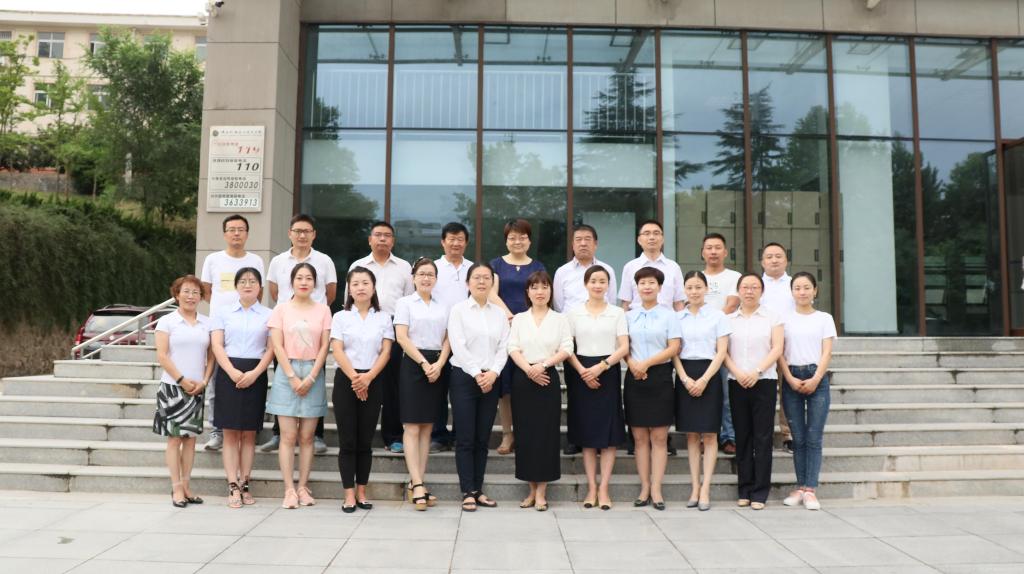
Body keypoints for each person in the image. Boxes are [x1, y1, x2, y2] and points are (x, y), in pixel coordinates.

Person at [261, 214, 337, 454]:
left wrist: (312, 314)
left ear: (314, 234)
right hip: (286, 330)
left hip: (314, 330)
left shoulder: (324, 261)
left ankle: (317, 435)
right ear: (289, 233)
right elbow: (275, 292)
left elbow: (330, 293)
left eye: (307, 231)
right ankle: (278, 433)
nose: (302, 235)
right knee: (283, 379)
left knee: (316, 383)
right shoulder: (278, 261)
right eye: (297, 231)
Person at [266, 263, 332, 509]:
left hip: (313, 370)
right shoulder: (281, 309)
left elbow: (325, 346)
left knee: (307, 436)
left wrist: (312, 377)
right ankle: (289, 489)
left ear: (315, 283)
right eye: (299, 278)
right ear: (291, 282)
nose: (304, 282)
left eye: (309, 278)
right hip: (287, 372)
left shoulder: (323, 310)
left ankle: (303, 486)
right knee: (288, 436)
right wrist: (292, 376)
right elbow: (277, 345)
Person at [507, 271, 573, 511]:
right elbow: (512, 347)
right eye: (534, 287)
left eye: (544, 286)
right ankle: (531, 490)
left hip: (547, 378)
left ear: (550, 291)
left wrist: (543, 366)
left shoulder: (559, 319)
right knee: (525, 434)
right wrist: (529, 369)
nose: (540, 291)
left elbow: (567, 347)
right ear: (528, 292)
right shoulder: (519, 319)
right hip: (523, 378)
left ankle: (542, 491)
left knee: (546, 435)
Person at [200, 214, 266, 452]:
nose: (236, 233)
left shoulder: (256, 260)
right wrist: (225, 312)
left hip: (248, 327)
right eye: (231, 229)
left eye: (241, 229)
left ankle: (250, 426)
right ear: (224, 233)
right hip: (220, 327)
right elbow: (206, 291)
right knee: (217, 379)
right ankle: (216, 429)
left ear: (247, 234)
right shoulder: (213, 259)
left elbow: (260, 292)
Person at [330, 267, 394, 513]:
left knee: (365, 441)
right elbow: (337, 350)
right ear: (349, 289)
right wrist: (356, 378)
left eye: (365, 282)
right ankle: (348, 494)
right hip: (346, 380)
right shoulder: (341, 317)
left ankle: (362, 492)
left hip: (373, 379)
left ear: (374, 287)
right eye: (355, 283)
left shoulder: (384, 317)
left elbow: (386, 352)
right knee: (347, 440)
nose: (360, 287)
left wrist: (368, 378)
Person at [565, 266, 629, 510]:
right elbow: (567, 347)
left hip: (607, 370)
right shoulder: (573, 313)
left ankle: (604, 489)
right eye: (593, 281)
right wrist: (583, 371)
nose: (598, 285)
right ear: (585, 284)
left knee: (609, 435)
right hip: (580, 371)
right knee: (588, 433)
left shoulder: (617, 313)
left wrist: (602, 367)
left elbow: (624, 347)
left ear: (608, 285)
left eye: (602, 281)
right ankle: (591, 487)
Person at [210, 267, 274, 508]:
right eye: (243, 281)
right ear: (236, 286)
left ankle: (245, 483)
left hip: (256, 372)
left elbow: (271, 348)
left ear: (260, 287)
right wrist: (231, 371)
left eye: (253, 281)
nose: (248, 285)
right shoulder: (222, 313)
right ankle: (232, 485)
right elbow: (217, 345)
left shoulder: (269, 314)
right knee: (230, 432)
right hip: (229, 372)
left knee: (249, 433)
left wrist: (256, 373)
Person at [448, 262, 509, 511]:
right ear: (468, 283)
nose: (482, 282)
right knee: (465, 437)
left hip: (491, 379)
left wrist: (493, 373)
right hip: (464, 378)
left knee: (482, 438)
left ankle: (478, 489)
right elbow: (458, 345)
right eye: (477, 277)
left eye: (486, 278)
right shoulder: (458, 311)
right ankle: (467, 491)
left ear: (492, 283)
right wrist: (477, 373)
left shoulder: (499, 314)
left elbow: (504, 346)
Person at [349, 221, 414, 454]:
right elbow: (350, 298)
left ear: (393, 241)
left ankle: (393, 435)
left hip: (394, 328)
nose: (382, 239)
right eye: (378, 235)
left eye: (387, 235)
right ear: (370, 240)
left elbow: (408, 301)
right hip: (364, 325)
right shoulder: (358, 266)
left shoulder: (404, 267)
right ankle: (359, 435)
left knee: (393, 384)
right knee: (362, 376)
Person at [552, 223, 618, 456]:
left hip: (602, 337)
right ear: (572, 244)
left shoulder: (606, 270)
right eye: (578, 239)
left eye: (587, 239)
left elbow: (612, 300)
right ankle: (576, 438)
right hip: (573, 336)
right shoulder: (562, 272)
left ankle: (600, 437)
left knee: (602, 395)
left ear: (595, 244)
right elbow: (559, 304)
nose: (583, 243)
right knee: (576, 391)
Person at [670, 271, 731, 511]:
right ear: (684, 290)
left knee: (710, 434)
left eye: (698, 287)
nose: (694, 291)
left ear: (706, 289)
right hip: (685, 373)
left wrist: (705, 379)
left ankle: (706, 488)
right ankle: (695, 487)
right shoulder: (677, 318)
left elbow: (722, 351)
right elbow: (674, 351)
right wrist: (685, 379)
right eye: (690, 287)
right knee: (692, 435)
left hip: (710, 374)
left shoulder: (718, 316)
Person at [723, 273, 784, 510]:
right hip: (736, 381)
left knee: (763, 437)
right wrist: (738, 372)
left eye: (754, 287)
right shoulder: (728, 319)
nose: (749, 291)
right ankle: (745, 489)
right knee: (743, 436)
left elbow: (777, 348)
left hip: (764, 381)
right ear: (738, 291)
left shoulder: (772, 317)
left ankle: (760, 492)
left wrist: (757, 371)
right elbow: (723, 351)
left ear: (762, 291)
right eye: (745, 287)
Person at [394, 258, 451, 510]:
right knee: (412, 426)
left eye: (430, 274)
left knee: (427, 426)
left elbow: (449, 338)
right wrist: (424, 363)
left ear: (436, 279)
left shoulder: (444, 306)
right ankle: (417, 483)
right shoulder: (405, 303)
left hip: (437, 365)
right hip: (413, 364)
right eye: (422, 274)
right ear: (414, 278)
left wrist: (439, 364)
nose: (426, 278)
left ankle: (418, 482)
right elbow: (401, 337)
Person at [153, 275, 213, 508]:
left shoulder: (206, 323)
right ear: (177, 295)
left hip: (197, 388)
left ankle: (187, 486)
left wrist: (204, 381)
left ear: (201, 297)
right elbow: (162, 355)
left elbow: (211, 357)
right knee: (175, 438)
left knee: (190, 440)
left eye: (196, 292)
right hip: (172, 388)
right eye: (186, 291)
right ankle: (176, 487)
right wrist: (180, 379)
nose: (191, 296)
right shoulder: (167, 321)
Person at [624, 267, 682, 511]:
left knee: (658, 437)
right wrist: (632, 364)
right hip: (634, 376)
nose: (647, 287)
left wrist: (646, 363)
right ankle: (644, 487)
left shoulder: (669, 315)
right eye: (642, 283)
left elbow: (674, 347)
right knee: (639, 438)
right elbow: (623, 346)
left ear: (659, 287)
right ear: (636, 287)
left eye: (651, 283)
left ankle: (657, 489)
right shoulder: (628, 316)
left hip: (660, 377)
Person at [779, 272, 837, 511]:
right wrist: (789, 378)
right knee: (798, 437)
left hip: (817, 377)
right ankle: (800, 487)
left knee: (814, 436)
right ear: (791, 292)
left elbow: (827, 352)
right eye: (797, 288)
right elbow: (779, 352)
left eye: (806, 287)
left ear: (815, 291)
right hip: (791, 376)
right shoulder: (783, 320)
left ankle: (810, 489)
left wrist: (816, 378)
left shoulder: (824, 318)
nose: (802, 292)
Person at [489, 219, 546, 456]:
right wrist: (509, 315)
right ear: (506, 241)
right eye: (512, 237)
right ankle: (507, 434)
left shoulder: (538, 266)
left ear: (529, 241)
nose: (517, 241)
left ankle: (525, 433)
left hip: (531, 330)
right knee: (505, 387)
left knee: (527, 383)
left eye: (522, 237)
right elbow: (491, 293)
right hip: (505, 327)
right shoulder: (496, 265)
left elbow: (543, 293)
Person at [430, 222, 473, 452]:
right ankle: (438, 435)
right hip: (438, 337)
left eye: (460, 239)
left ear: (466, 243)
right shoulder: (432, 268)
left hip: (467, 339)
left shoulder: (474, 269)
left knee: (462, 389)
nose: (455, 243)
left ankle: (459, 434)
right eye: (451, 239)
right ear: (442, 242)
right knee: (438, 388)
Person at [701, 233, 742, 456]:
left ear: (725, 252)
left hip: (727, 342)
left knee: (727, 394)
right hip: (701, 344)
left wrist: (710, 323)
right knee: (704, 392)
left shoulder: (734, 277)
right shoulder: (697, 278)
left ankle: (729, 436)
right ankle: (705, 434)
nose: (713, 251)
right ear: (702, 252)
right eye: (709, 248)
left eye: (718, 247)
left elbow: (732, 304)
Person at [760, 242, 796, 453]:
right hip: (761, 346)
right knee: (762, 392)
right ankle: (760, 433)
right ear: (762, 262)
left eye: (778, 256)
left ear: (786, 260)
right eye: (769, 256)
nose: (774, 260)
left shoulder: (794, 284)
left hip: (788, 345)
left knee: (787, 392)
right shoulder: (755, 285)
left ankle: (788, 434)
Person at [618, 219, 686, 312]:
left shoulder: (673, 267)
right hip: (637, 319)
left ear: (662, 239)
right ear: (639, 240)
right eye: (647, 233)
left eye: (656, 233)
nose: (652, 237)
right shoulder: (630, 267)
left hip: (666, 319)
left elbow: (678, 303)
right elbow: (626, 303)